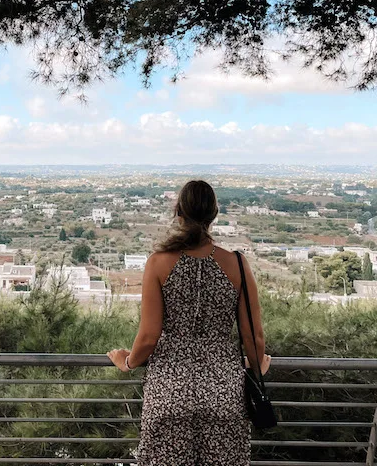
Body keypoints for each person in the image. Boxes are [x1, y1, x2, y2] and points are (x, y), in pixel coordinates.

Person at [107, 180, 270, 465]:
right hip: (224, 394)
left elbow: (148, 337)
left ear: (178, 211)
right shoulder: (237, 264)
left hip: (169, 392)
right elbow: (252, 337)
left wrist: (128, 362)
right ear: (214, 214)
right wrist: (257, 366)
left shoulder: (158, 263)